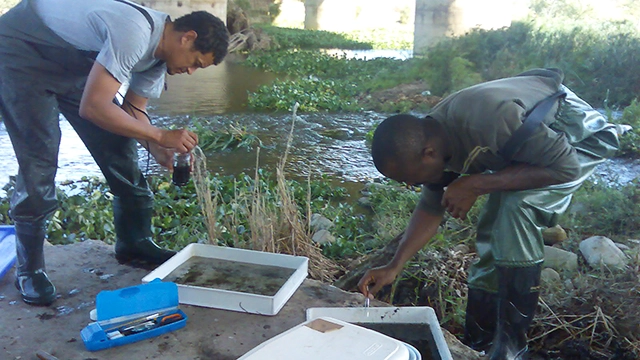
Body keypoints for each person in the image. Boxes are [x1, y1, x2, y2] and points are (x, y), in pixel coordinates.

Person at [357, 68, 621, 360]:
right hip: (529, 144)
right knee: (493, 224)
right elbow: (431, 207)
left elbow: (565, 167)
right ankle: (480, 337)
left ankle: (512, 345)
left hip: (581, 138)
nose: (409, 185)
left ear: (428, 154)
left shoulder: (493, 122)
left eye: (409, 177)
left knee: (514, 208)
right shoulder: (433, 138)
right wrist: (394, 265)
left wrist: (476, 183)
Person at [0, 0, 229, 306]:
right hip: (21, 52)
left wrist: (156, 147)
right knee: (40, 158)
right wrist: (161, 134)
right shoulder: (134, 33)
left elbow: (133, 113)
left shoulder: (159, 58)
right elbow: (93, 106)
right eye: (195, 63)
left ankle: (134, 243)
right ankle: (30, 270)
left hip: (73, 63)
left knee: (120, 143)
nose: (189, 71)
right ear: (187, 37)